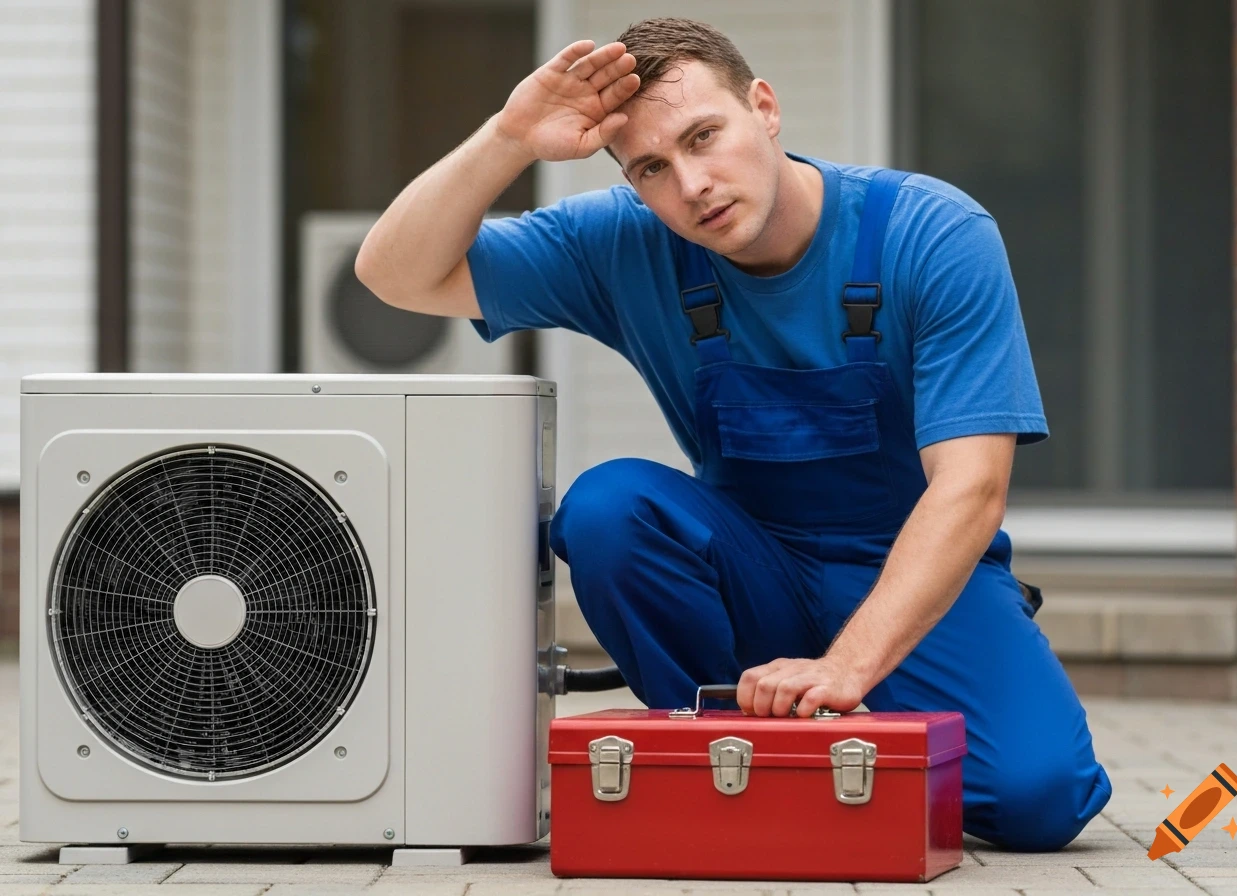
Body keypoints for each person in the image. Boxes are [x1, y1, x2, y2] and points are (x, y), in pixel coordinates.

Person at [356, 17, 1112, 852]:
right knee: (609, 508)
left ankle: (830, 728)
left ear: (765, 107)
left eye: (704, 136)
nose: (692, 185)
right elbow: (395, 274)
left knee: (1044, 799)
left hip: (915, 577)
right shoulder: (623, 243)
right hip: (752, 573)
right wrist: (508, 139)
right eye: (652, 168)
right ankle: (723, 756)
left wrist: (847, 668)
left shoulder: (930, 234)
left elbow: (972, 487)